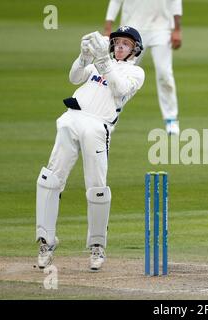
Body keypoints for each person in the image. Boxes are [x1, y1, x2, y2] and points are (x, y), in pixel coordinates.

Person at [36, 26, 145, 271]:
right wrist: (84, 56)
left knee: (96, 187)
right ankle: (46, 242)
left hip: (97, 126)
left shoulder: (136, 72)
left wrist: (103, 60)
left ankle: (97, 247)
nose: (119, 47)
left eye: (125, 44)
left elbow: (119, 89)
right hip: (71, 119)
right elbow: (74, 77)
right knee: (49, 179)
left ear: (134, 49)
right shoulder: (96, 64)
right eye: (117, 42)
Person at [104, 0, 182, 135]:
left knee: (165, 73)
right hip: (131, 30)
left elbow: (175, 1)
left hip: (161, 28)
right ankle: (109, 117)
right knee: (119, 74)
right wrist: (108, 27)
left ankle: (171, 119)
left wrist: (177, 29)